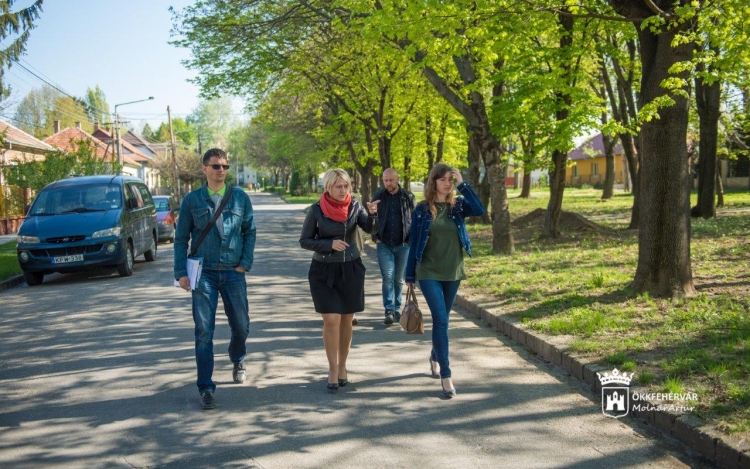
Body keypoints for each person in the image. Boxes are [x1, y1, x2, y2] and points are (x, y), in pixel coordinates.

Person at [174, 148, 257, 410]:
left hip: (233, 271)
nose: (221, 170)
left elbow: (249, 231)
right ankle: (206, 387)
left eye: (225, 166)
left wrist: (244, 263)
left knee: (241, 325)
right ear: (204, 169)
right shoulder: (192, 201)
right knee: (203, 332)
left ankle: (238, 358)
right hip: (204, 272)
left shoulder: (240, 198)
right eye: (216, 166)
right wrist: (180, 272)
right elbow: (180, 239)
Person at [404, 163, 485, 398]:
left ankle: (434, 355)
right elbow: (414, 243)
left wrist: (464, 185)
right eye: (444, 180)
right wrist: (409, 275)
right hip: (428, 272)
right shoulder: (421, 210)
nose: (448, 183)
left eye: (451, 180)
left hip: (453, 271)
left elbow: (479, 209)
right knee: (440, 320)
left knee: (443, 319)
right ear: (434, 182)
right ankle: (446, 375)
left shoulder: (458, 206)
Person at [299, 168, 378, 392]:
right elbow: (304, 240)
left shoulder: (355, 205)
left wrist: (372, 214)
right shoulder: (316, 210)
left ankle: (343, 365)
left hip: (351, 268)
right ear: (328, 187)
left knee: (346, 320)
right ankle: (332, 369)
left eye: (346, 186)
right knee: (331, 319)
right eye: (338, 186)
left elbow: (371, 229)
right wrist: (328, 244)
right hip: (323, 271)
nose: (343, 191)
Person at [370, 168, 415, 325]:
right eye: (385, 180)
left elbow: (414, 218)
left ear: (398, 179)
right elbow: (372, 219)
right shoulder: (378, 196)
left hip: (403, 244)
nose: (388, 183)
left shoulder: (408, 196)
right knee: (388, 277)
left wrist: (410, 239)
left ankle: (396, 309)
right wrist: (375, 237)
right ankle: (389, 310)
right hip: (384, 244)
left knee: (398, 279)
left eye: (391, 180)